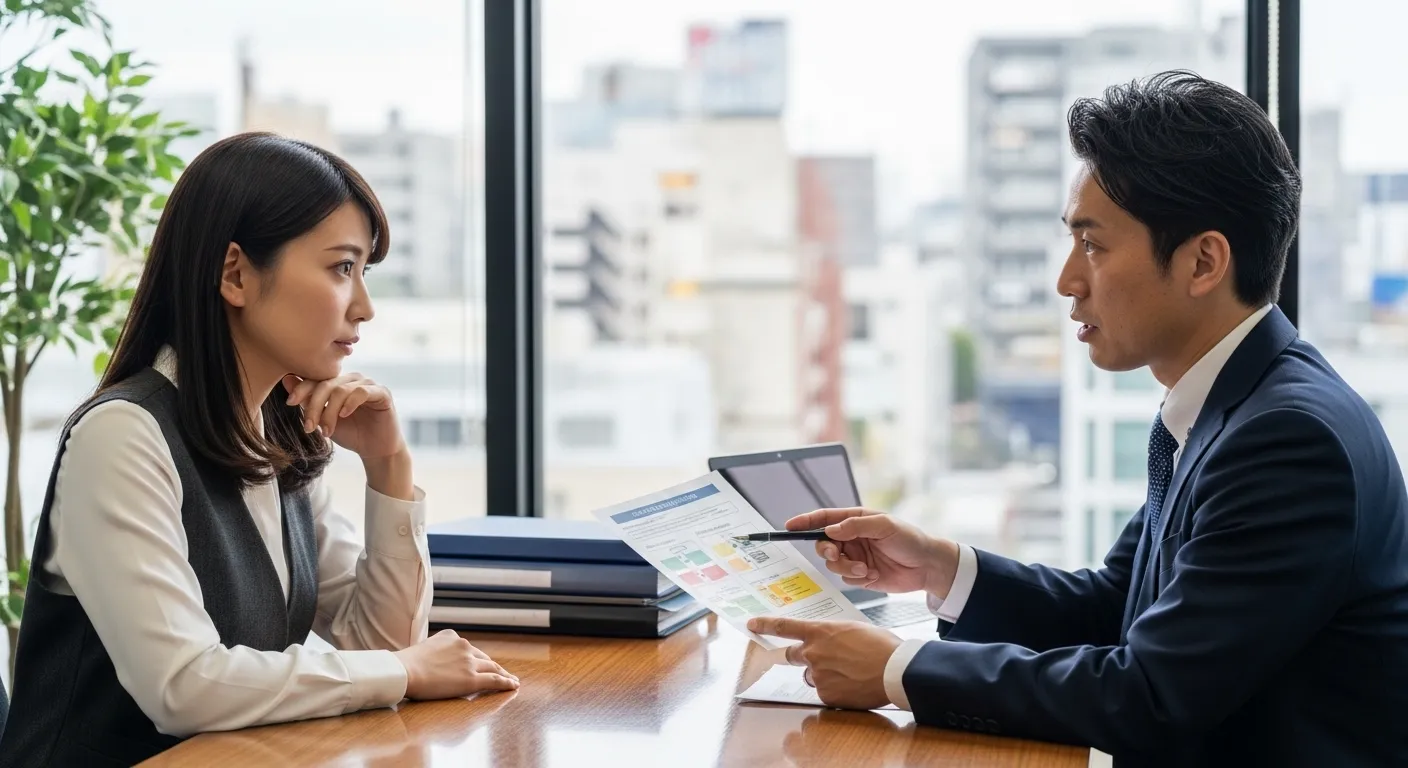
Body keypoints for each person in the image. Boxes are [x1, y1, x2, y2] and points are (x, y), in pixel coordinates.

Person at [748, 71, 1408, 766]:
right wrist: (939, 567)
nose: (1067, 279)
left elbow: (1150, 695)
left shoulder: (1287, 442)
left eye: (1092, 244)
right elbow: (1114, 609)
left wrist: (895, 671)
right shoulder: (1228, 406)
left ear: (1204, 261)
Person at [0, 133, 519, 767]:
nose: (365, 307)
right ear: (237, 274)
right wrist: (402, 674)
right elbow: (184, 686)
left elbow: (379, 640)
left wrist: (389, 467)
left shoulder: (277, 435)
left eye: (363, 272)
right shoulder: (122, 436)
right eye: (341, 268)